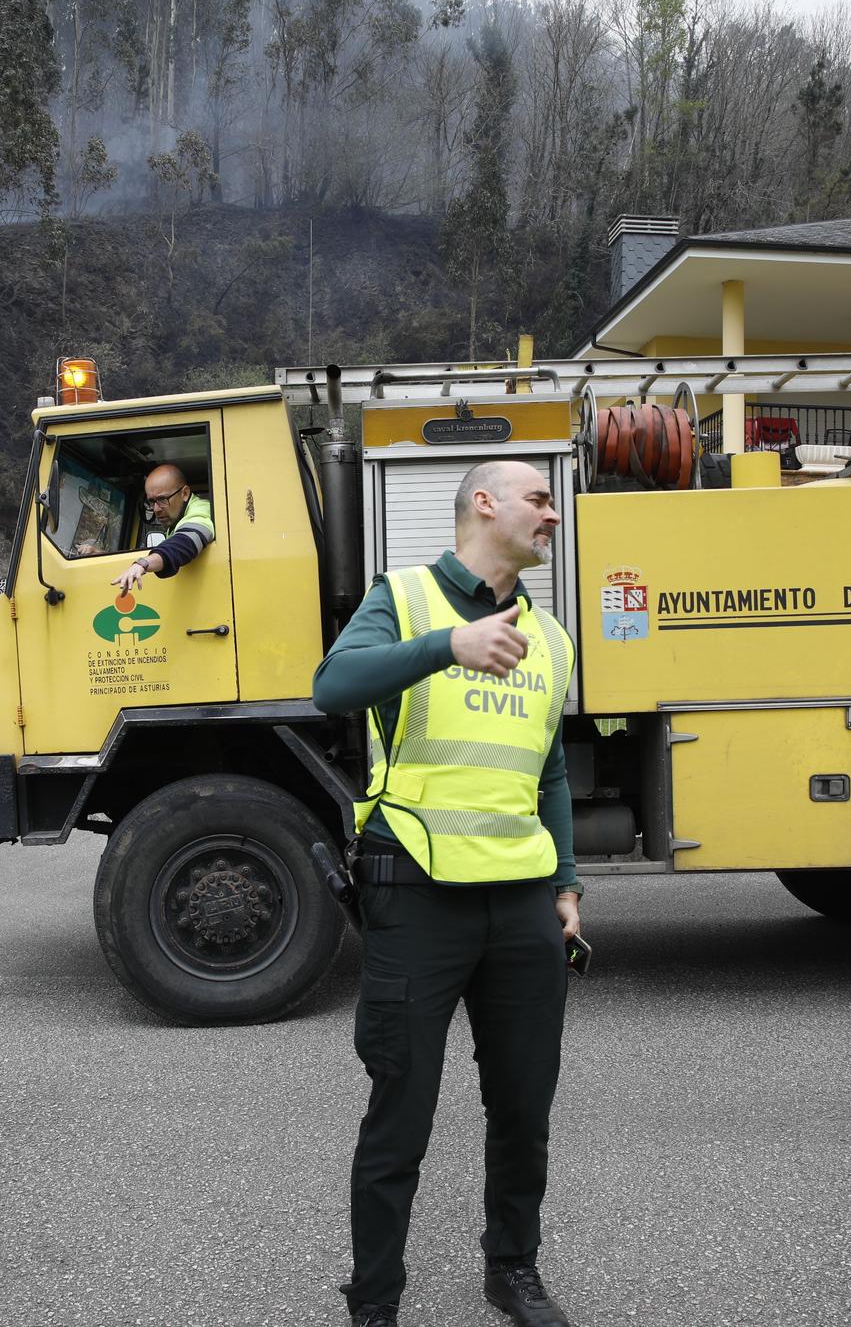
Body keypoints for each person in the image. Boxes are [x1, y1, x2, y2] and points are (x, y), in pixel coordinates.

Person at [313, 460, 583, 1327]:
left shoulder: (552, 637)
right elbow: (332, 688)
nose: (553, 514)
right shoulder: (406, 597)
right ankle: (375, 1298)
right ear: (485, 503)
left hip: (522, 904)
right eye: (540, 498)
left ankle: (513, 1268)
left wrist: (568, 881)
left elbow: (549, 768)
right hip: (417, 895)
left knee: (523, 1107)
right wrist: (447, 646)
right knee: (402, 1111)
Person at [110, 462, 215, 593]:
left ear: (185, 493)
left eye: (162, 499)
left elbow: (183, 543)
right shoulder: (178, 518)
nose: (156, 509)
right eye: (152, 501)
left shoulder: (202, 511)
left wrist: (142, 564)